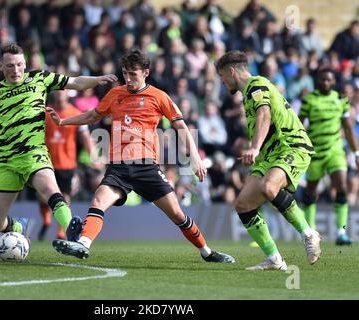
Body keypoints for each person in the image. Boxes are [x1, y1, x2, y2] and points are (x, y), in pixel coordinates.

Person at [47, 49, 235, 264]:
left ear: (146, 72)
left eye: (132, 74)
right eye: (125, 73)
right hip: (119, 166)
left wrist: (195, 158)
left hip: (147, 167)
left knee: (177, 214)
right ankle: (83, 245)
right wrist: (63, 122)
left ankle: (207, 252)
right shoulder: (115, 94)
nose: (127, 79)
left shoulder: (159, 96)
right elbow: (92, 115)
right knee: (99, 199)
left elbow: (181, 127)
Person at [0, 43, 117, 242]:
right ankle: (19, 226)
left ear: (25, 63)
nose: (16, 70)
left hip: (34, 153)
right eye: (10, 65)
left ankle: (72, 230)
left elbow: (76, 82)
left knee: (51, 191)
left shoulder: (40, 78)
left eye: (19, 64)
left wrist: (97, 79)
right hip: (6, 162)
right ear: (1, 66)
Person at [215, 50, 321, 271]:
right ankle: (274, 259)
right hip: (269, 155)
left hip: (291, 145)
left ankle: (309, 234)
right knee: (243, 205)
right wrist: (255, 149)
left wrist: (253, 148)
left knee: (269, 187)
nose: (222, 82)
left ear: (232, 71)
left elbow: (265, 114)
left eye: (222, 77)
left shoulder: (256, 84)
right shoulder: (247, 93)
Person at [299, 68, 359, 245]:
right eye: (322, 80)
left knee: (342, 186)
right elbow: (298, 124)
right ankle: (309, 232)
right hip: (315, 151)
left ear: (334, 82)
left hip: (335, 150)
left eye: (329, 80)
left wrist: (356, 152)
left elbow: (348, 128)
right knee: (311, 191)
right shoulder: (309, 100)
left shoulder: (341, 100)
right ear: (317, 81)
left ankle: (341, 233)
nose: (325, 83)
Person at [37, 90, 95, 241]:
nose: (60, 94)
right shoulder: (45, 113)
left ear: (68, 94)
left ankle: (61, 231)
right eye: (57, 90)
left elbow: (85, 137)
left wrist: (93, 155)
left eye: (62, 91)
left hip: (67, 163)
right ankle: (46, 221)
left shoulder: (75, 112)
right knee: (43, 196)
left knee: (65, 196)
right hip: (46, 161)